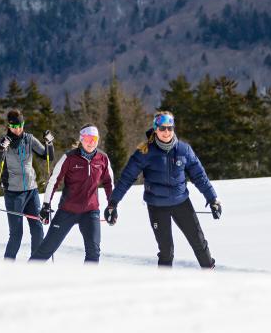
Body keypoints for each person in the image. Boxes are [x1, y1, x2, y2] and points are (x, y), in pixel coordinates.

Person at [105, 111, 221, 268]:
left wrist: (213, 199)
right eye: (162, 128)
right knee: (166, 251)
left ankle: (211, 277)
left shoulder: (183, 150)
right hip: (157, 206)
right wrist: (113, 203)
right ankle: (163, 286)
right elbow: (126, 178)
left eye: (169, 128)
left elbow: (200, 176)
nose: (166, 132)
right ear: (155, 129)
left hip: (181, 202)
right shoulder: (144, 152)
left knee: (199, 242)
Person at [30, 125, 113, 264]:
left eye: (94, 138)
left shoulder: (102, 159)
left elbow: (109, 183)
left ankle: (87, 284)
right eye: (88, 138)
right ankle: (23, 276)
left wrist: (112, 206)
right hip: (67, 211)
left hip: (90, 211)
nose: (91, 142)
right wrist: (45, 205)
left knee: (94, 252)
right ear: (81, 139)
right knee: (46, 249)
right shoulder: (69, 158)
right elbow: (53, 181)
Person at [0, 109, 54, 260]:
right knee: (16, 235)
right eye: (14, 126)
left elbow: (48, 156)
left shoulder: (29, 139)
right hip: (13, 194)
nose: (18, 129)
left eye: (20, 125)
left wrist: (50, 143)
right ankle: (7, 267)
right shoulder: (5, 141)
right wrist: (0, 149)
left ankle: (35, 264)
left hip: (31, 192)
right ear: (9, 126)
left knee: (38, 229)